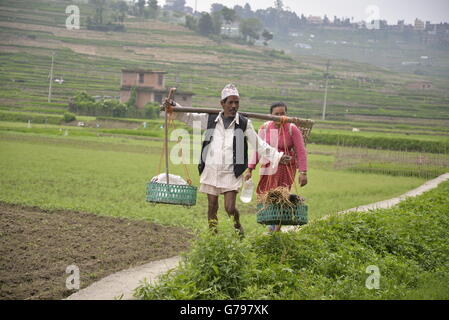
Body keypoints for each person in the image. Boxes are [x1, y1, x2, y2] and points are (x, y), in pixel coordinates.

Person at [163, 85, 291, 237]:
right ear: (222, 103)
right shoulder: (210, 119)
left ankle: (237, 225)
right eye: (230, 102)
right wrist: (173, 106)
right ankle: (213, 238)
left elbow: (259, 144)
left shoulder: (243, 123)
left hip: (231, 171)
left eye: (236, 103)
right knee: (212, 207)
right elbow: (189, 117)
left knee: (230, 208)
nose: (234, 106)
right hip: (210, 169)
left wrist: (278, 156)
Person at [245, 102, 308, 233]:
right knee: (267, 194)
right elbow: (258, 149)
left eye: (282, 113)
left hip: (286, 167)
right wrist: (250, 168)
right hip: (268, 167)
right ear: (270, 115)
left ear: (286, 114)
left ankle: (276, 228)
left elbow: (301, 150)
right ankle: (271, 223)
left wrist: (303, 172)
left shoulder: (292, 128)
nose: (280, 117)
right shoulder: (264, 128)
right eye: (276, 114)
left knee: (282, 196)